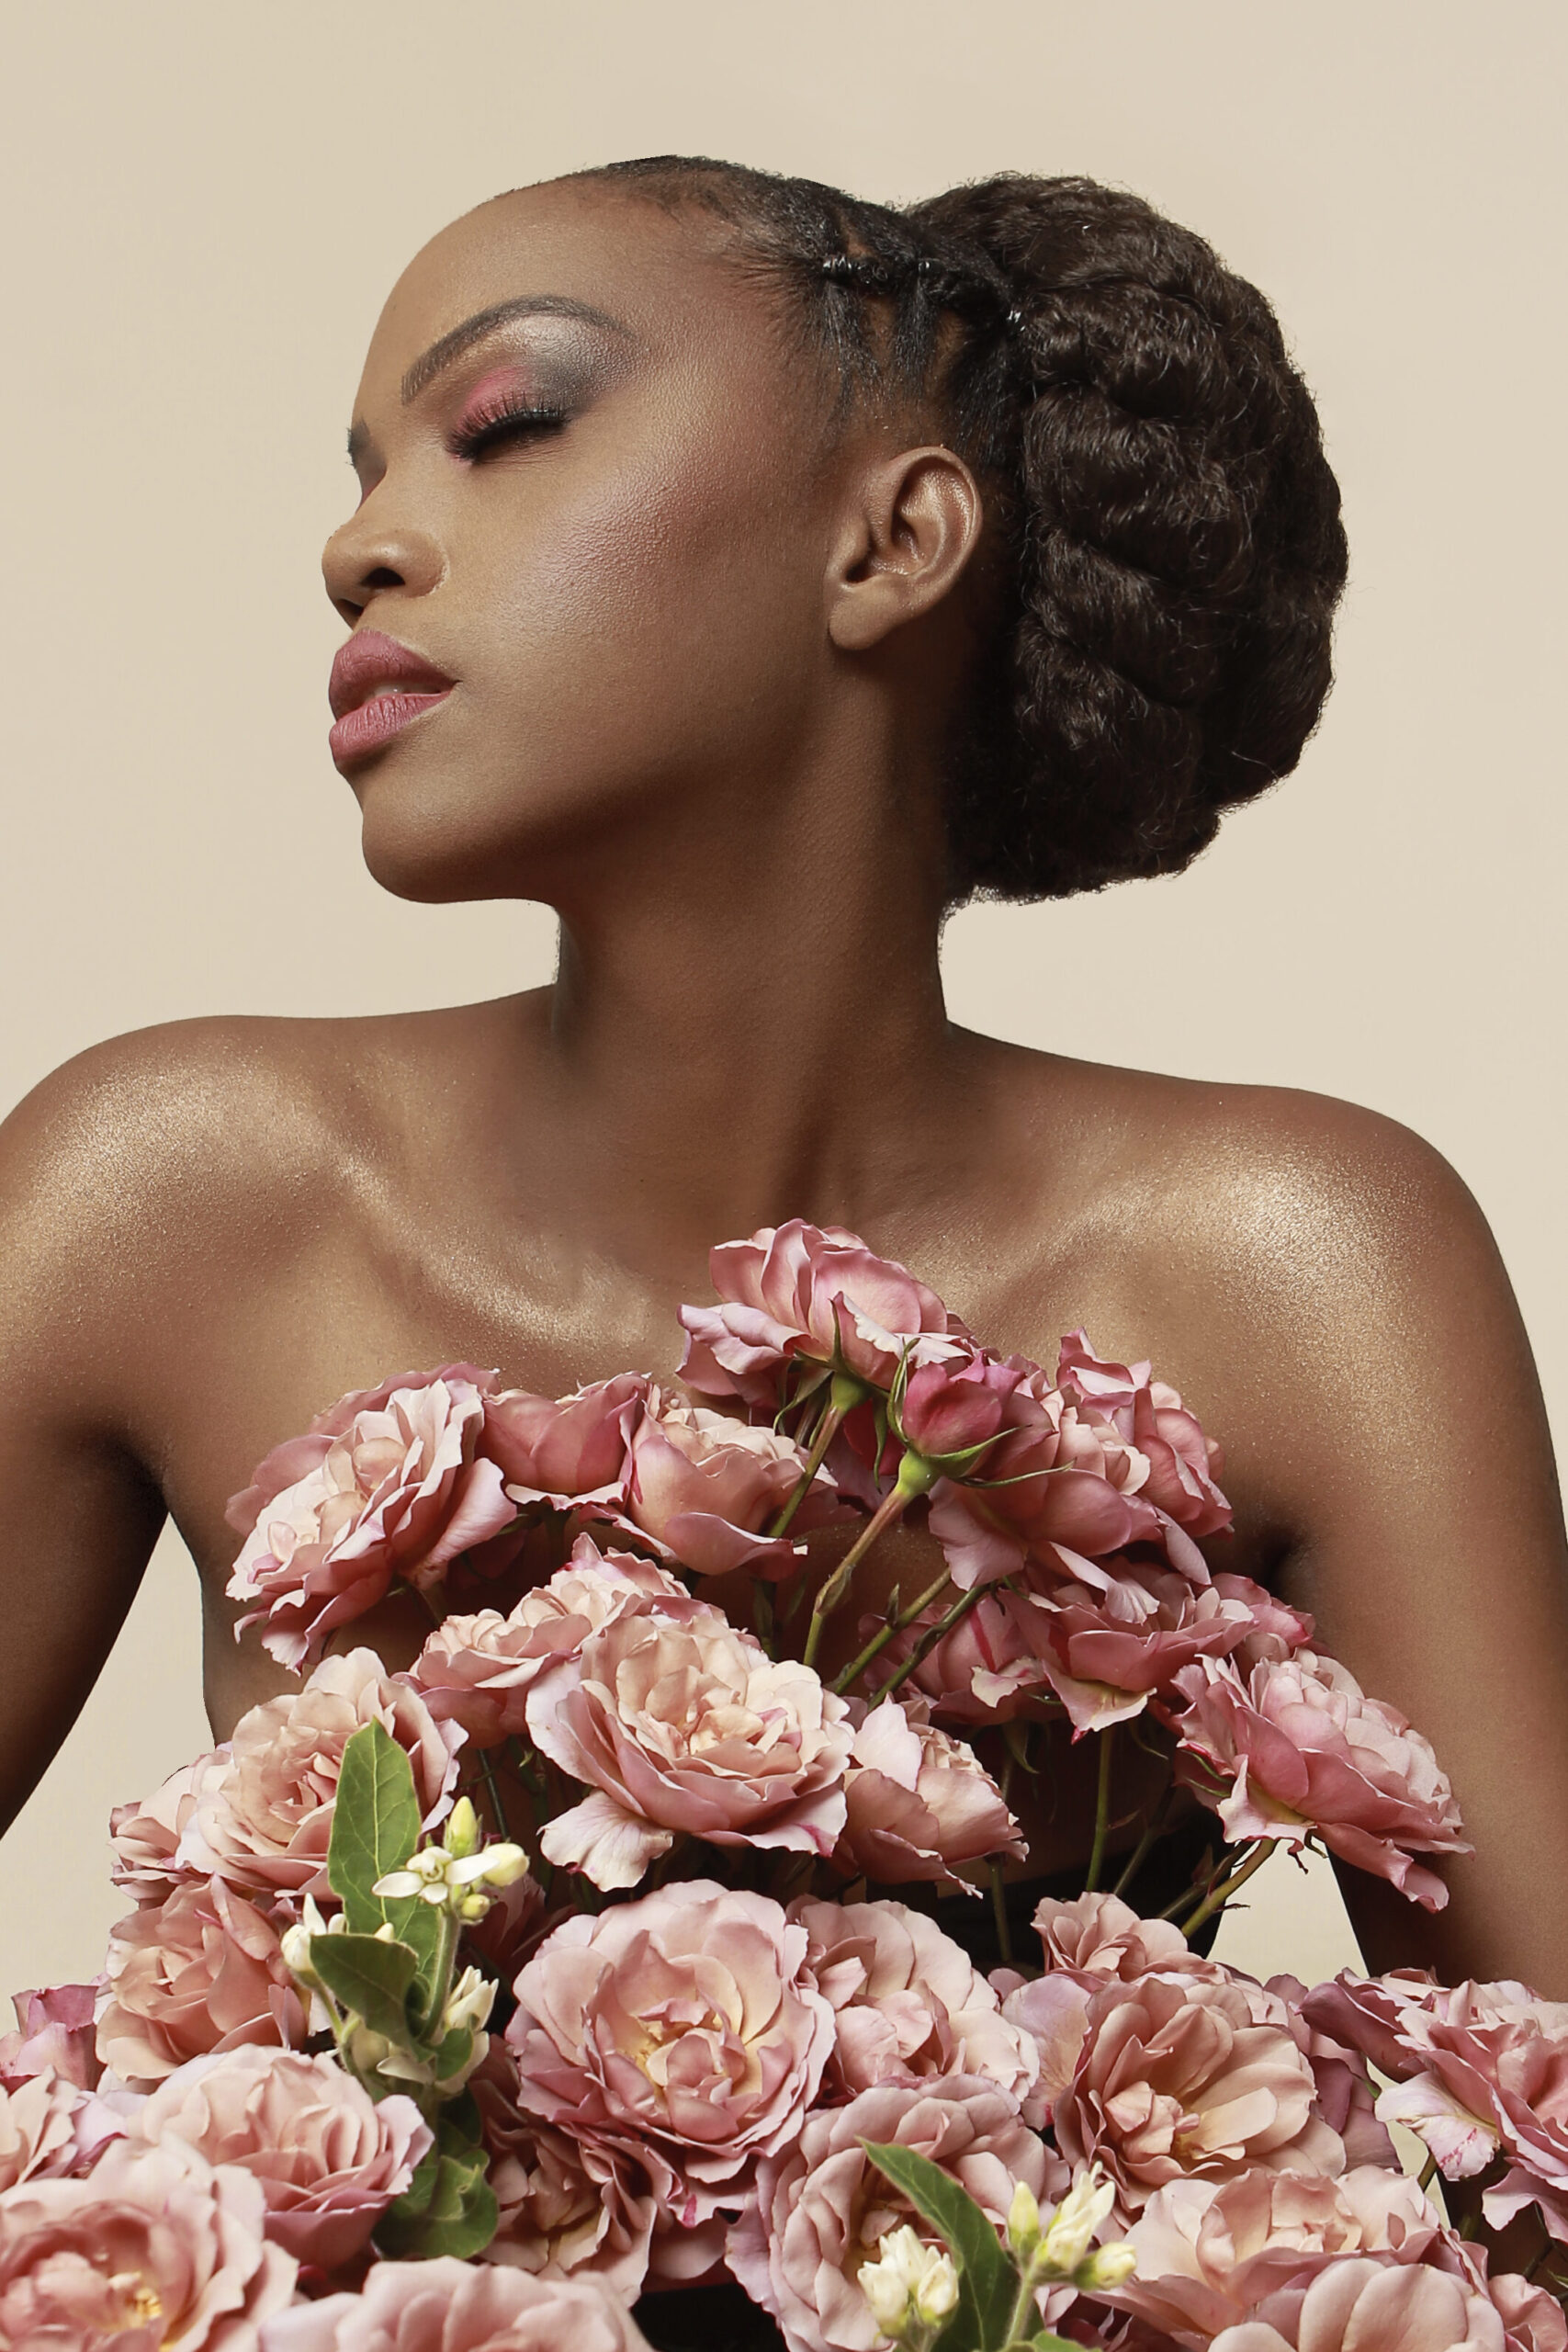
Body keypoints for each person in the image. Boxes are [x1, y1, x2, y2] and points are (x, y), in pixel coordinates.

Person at [1, 157, 1563, 2001]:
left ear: (888, 541)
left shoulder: (1296, 1268)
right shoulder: (164, 1197)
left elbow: (1535, 2148)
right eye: (365, 473)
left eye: (501, 426)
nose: (363, 545)